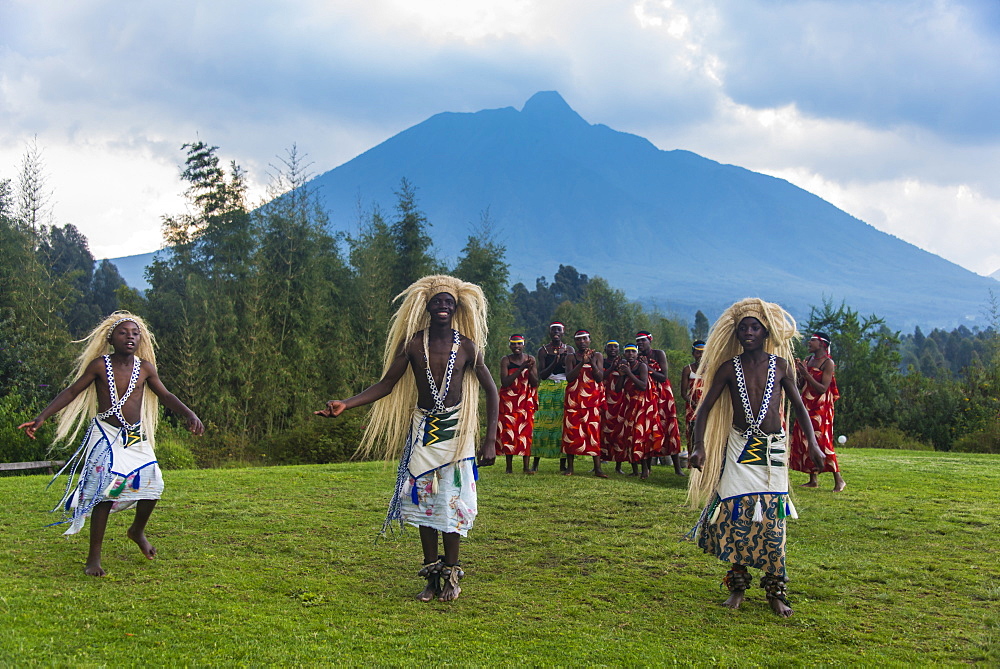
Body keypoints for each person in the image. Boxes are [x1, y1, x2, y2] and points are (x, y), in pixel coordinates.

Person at [315, 276, 498, 603]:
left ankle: (452, 576)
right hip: (424, 432)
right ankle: (431, 575)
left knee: (451, 504)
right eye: (437, 301)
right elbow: (386, 384)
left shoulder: (468, 346)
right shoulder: (413, 344)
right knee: (424, 504)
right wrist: (347, 403)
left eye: (448, 302)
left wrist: (490, 440)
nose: (443, 306)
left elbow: (492, 391)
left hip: (456, 433)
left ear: (456, 308)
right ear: (426, 307)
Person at [18, 312, 204, 577]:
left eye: (135, 333)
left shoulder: (145, 368)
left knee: (154, 484)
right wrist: (41, 418)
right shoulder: (99, 365)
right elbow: (71, 392)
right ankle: (93, 558)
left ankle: (136, 530)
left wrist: (190, 414)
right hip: (106, 434)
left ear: (140, 339)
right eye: (123, 332)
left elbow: (165, 394)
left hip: (135, 436)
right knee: (106, 490)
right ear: (111, 339)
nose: (130, 337)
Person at [687, 298, 824, 618]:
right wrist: (699, 446)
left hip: (772, 450)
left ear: (767, 333)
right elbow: (703, 409)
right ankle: (737, 586)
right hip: (739, 447)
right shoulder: (728, 368)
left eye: (755, 327)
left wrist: (814, 445)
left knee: (773, 522)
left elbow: (800, 409)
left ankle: (776, 590)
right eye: (743, 328)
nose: (748, 332)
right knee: (737, 517)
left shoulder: (781, 366)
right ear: (736, 334)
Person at [790, 332, 845, 492]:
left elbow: (823, 388)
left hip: (821, 408)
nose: (809, 342)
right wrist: (799, 372)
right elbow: (801, 385)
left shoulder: (828, 363)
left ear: (822, 344)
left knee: (822, 441)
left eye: (813, 340)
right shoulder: (808, 360)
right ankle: (813, 479)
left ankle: (839, 479)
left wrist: (806, 373)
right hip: (806, 404)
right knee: (807, 439)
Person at [636, 331, 683, 476]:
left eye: (643, 341)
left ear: (650, 340)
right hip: (648, 395)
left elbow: (664, 376)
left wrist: (647, 367)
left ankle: (677, 468)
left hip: (663, 394)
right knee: (649, 427)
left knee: (669, 427)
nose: (640, 344)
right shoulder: (636, 357)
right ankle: (647, 468)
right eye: (638, 342)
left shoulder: (658, 354)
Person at [561, 330, 606, 477]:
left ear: (589, 340)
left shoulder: (598, 356)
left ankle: (598, 469)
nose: (582, 342)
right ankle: (570, 467)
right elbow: (569, 377)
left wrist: (591, 362)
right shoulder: (570, 357)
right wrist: (582, 363)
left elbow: (599, 378)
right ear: (575, 342)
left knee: (593, 432)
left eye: (584, 339)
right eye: (579, 340)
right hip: (573, 399)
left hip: (591, 400)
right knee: (571, 431)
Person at [532, 322, 575, 472]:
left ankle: (563, 463)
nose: (556, 332)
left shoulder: (569, 350)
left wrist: (564, 363)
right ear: (549, 333)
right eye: (553, 330)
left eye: (559, 330)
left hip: (564, 387)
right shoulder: (543, 350)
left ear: (564, 332)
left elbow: (572, 372)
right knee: (541, 423)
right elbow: (542, 375)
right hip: (547, 387)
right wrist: (555, 362)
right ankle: (536, 461)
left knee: (562, 425)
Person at [616, 344, 662, 478]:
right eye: (627, 352)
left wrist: (629, 373)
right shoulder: (624, 368)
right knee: (629, 436)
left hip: (643, 406)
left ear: (637, 354)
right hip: (629, 405)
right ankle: (635, 469)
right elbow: (618, 389)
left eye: (632, 352)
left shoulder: (641, 366)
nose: (630, 354)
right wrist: (621, 375)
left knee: (641, 436)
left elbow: (643, 385)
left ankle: (645, 470)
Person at [497, 334, 539, 474]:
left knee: (526, 433)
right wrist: (521, 368)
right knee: (509, 432)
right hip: (509, 401)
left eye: (519, 343)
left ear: (523, 344)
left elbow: (535, 383)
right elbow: (505, 382)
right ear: (510, 345)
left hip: (525, 401)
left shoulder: (530, 359)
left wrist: (529, 369)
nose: (516, 346)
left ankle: (526, 467)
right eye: (514, 344)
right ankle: (509, 467)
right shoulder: (506, 360)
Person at [601, 340, 626, 472]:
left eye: (615, 347)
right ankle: (600, 461)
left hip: (619, 399)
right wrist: (611, 368)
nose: (612, 349)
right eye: (609, 347)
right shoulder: (602, 362)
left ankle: (618, 465)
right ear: (605, 349)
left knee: (619, 430)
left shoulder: (623, 362)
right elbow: (600, 377)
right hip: (604, 398)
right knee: (602, 428)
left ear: (619, 349)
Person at [681, 340, 706, 454]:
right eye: (697, 352)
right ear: (693, 353)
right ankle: (692, 461)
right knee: (692, 433)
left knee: (707, 432)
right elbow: (683, 392)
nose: (700, 355)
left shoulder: (711, 369)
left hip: (707, 405)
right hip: (692, 407)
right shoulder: (688, 369)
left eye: (703, 352)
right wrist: (693, 403)